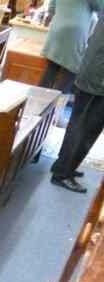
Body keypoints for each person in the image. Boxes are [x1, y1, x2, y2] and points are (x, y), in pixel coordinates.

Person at [51, 16, 104, 193]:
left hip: (94, 72)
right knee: (84, 127)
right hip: (97, 78)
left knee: (85, 126)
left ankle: (65, 166)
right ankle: (62, 173)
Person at [39, 0, 104, 94]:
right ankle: (57, 104)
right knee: (71, 72)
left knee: (51, 69)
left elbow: (52, 8)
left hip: (57, 29)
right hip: (75, 33)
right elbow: (100, 6)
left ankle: (36, 103)